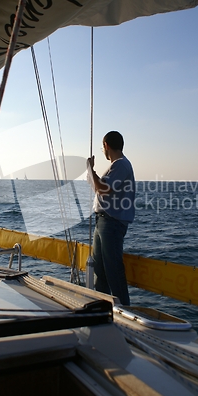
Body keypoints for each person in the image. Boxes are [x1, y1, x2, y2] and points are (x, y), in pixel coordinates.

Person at [87, 131, 135, 305]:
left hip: (111, 223)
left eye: (103, 147)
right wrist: (92, 174)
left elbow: (103, 189)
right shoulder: (116, 166)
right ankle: (104, 308)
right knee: (101, 271)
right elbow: (100, 188)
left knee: (113, 271)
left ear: (106, 145)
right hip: (104, 221)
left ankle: (124, 310)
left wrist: (90, 169)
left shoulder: (121, 165)